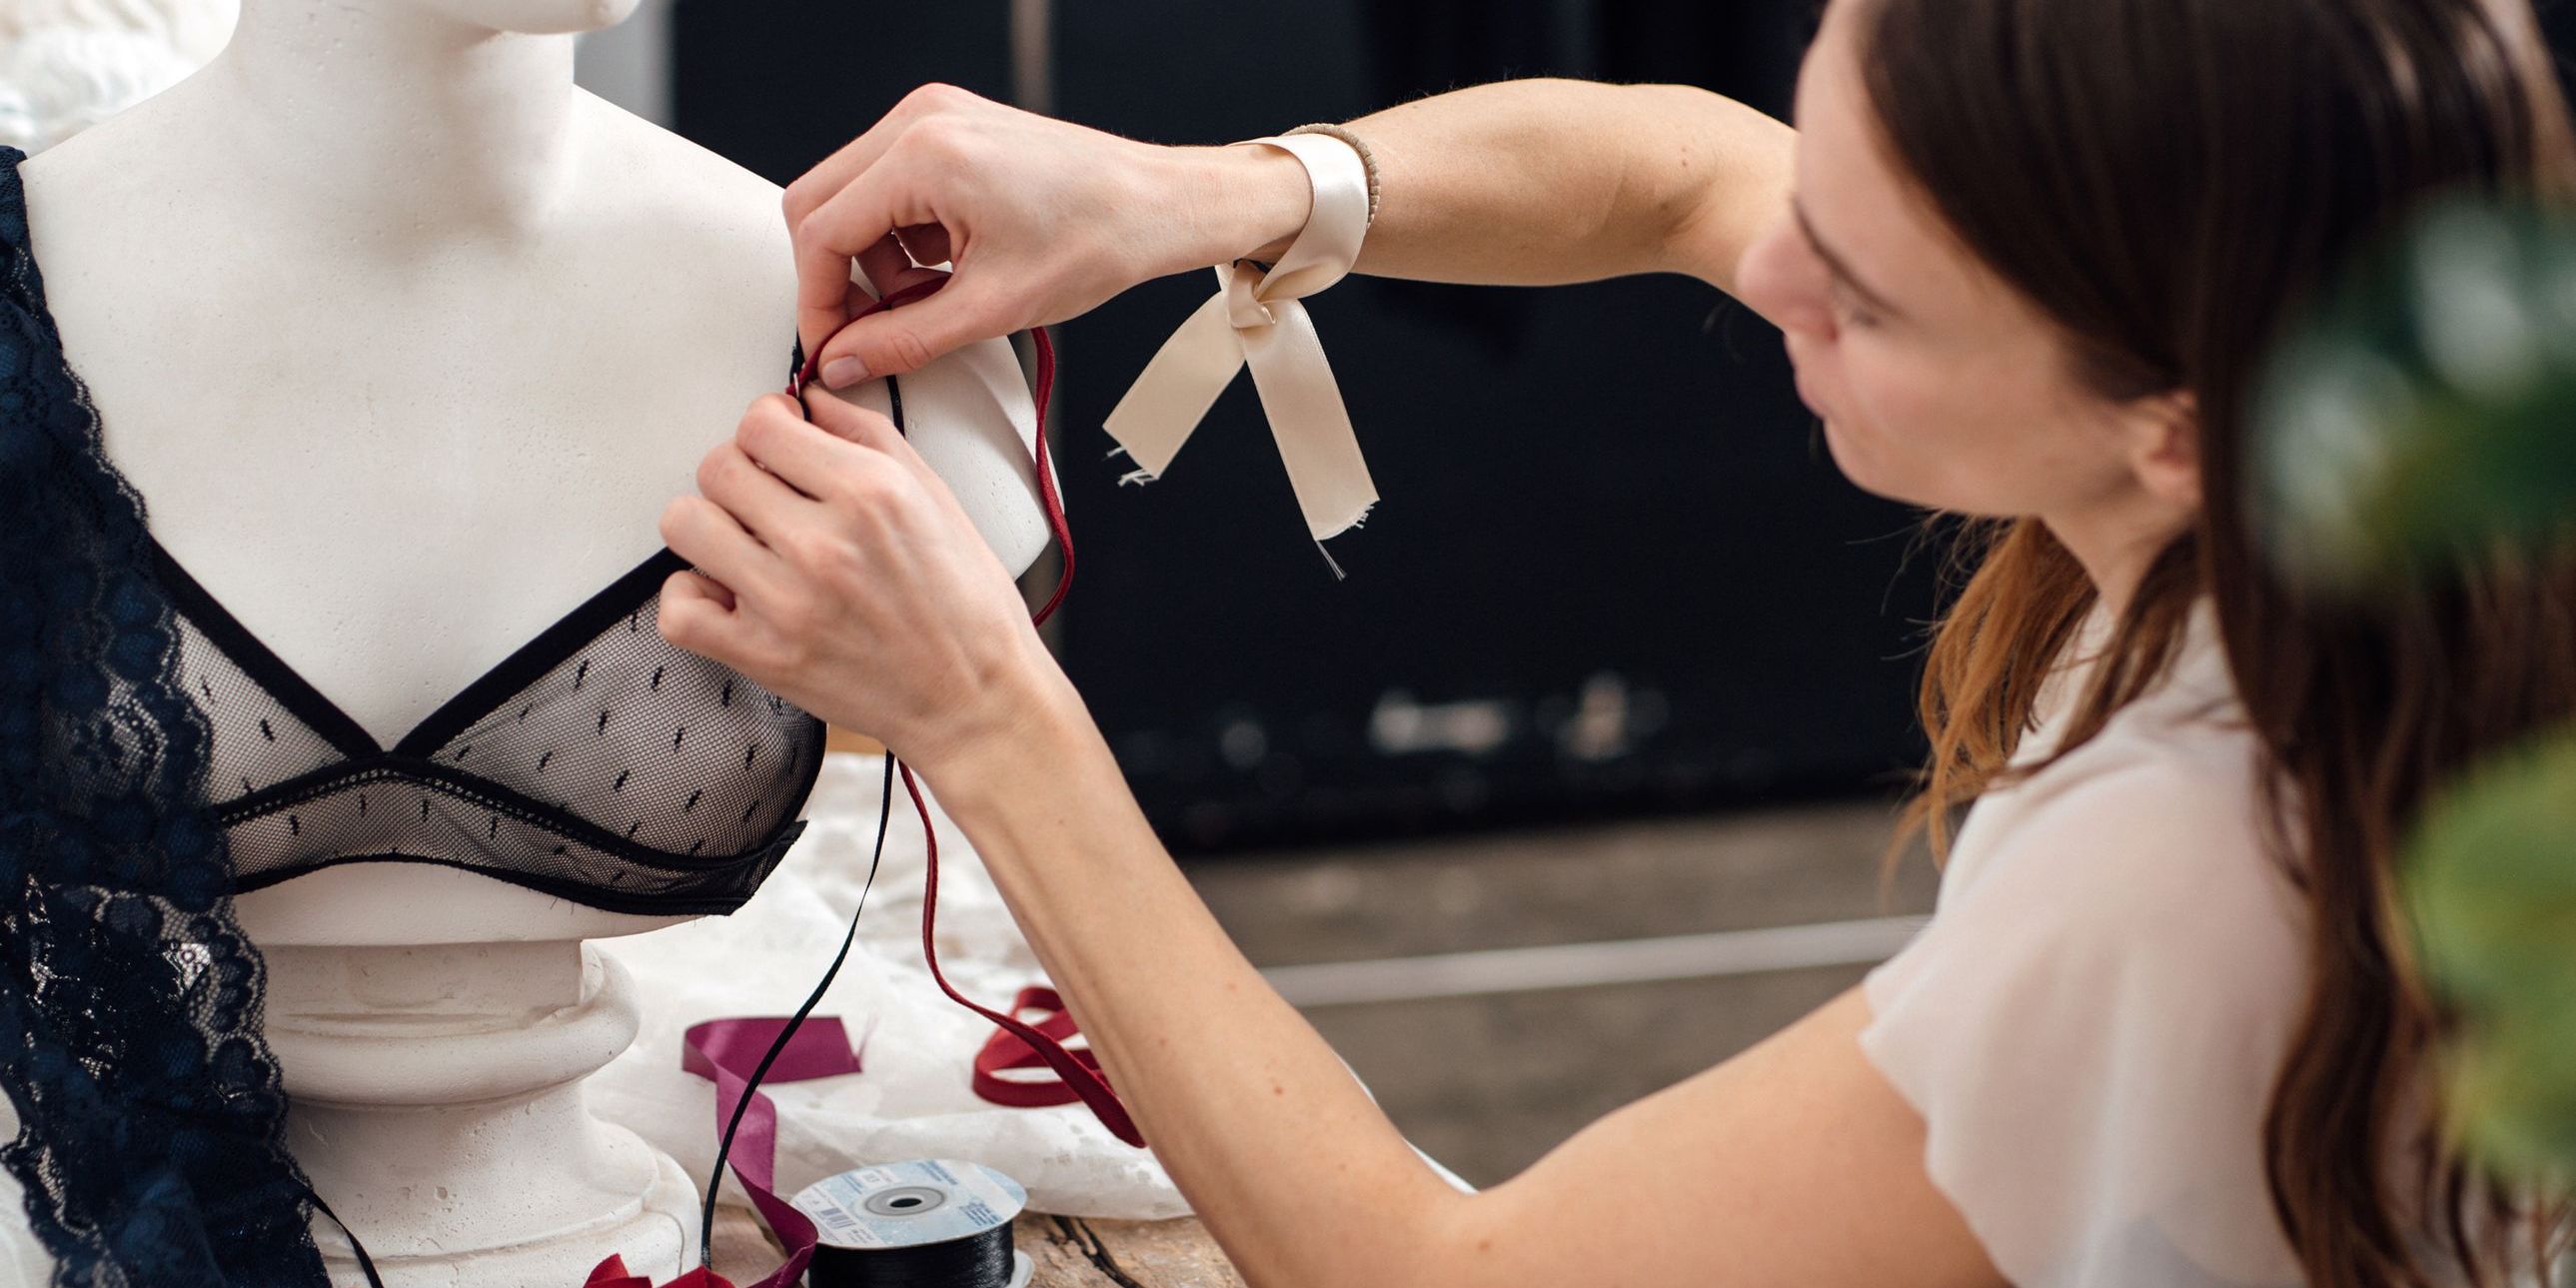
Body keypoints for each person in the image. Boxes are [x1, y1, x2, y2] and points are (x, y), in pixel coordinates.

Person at [651, 0, 2576, 1283]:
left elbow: (1442, 1280)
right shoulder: (2360, 456)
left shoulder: (2192, 869)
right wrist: (1200, 196)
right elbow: (1679, 172)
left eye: (1868, 292)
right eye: (1821, 182)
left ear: (2169, 415)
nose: (1773, 265)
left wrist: (987, 712)